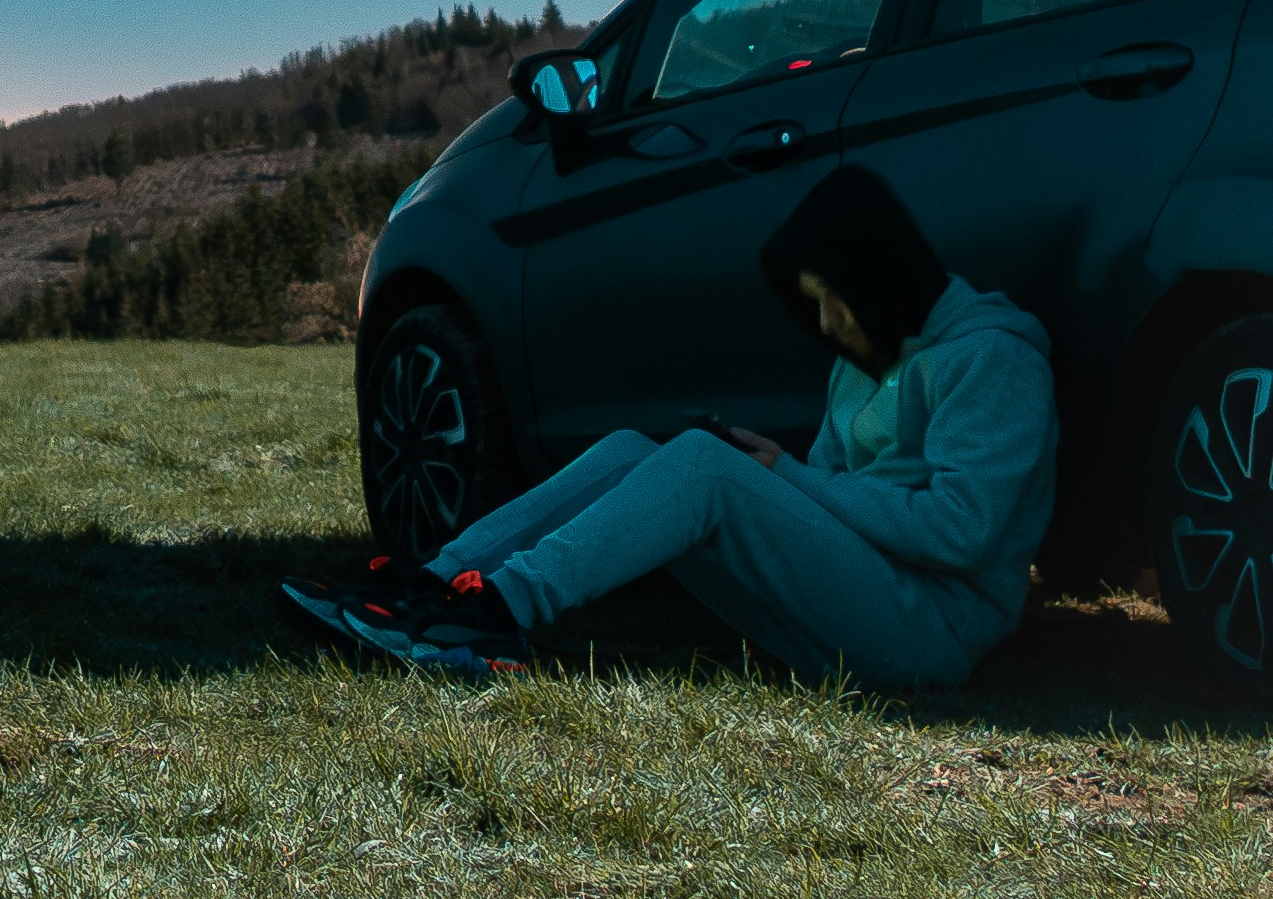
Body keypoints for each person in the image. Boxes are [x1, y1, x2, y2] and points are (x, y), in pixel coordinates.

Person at [289, 165, 1056, 688]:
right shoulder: (861, 359)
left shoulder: (992, 359)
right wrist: (781, 474)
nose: (825, 321)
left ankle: (499, 613)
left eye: (835, 297)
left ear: (883, 276)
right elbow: (829, 487)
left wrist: (778, 476)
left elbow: (962, 532)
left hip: (935, 629)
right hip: (858, 596)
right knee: (632, 449)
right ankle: (434, 588)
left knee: (703, 464)